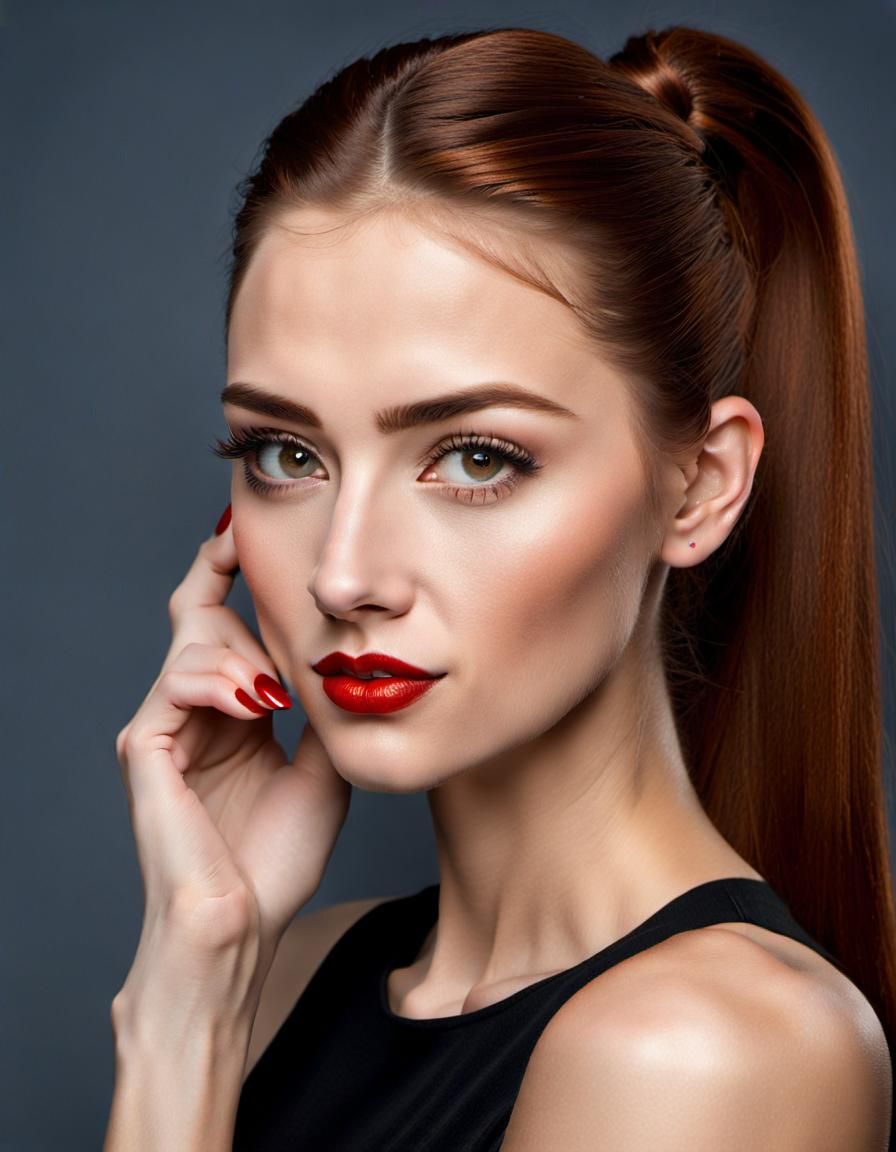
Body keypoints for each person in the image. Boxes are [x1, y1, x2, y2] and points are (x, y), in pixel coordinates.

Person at [103, 23, 895, 1152]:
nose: (343, 575)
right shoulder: (280, 976)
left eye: (476, 458)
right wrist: (187, 986)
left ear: (700, 486)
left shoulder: (708, 1051)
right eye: (287, 454)